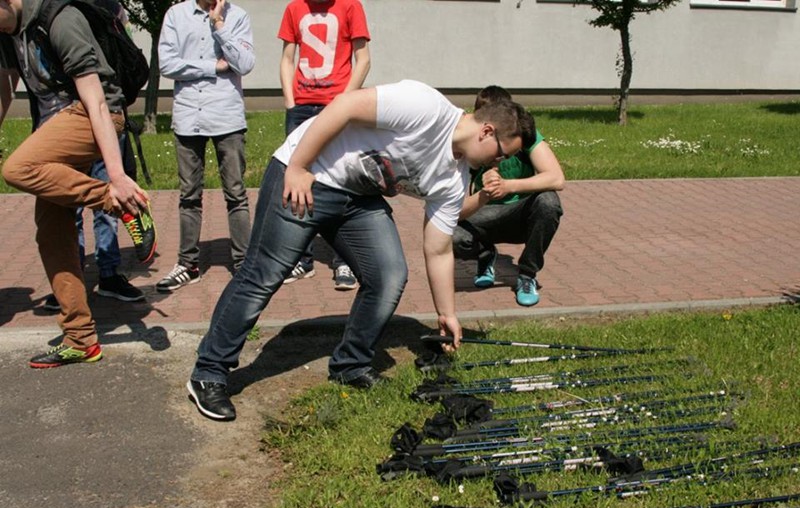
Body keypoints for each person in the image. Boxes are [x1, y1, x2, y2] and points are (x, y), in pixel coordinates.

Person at [185, 79, 535, 421]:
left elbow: (439, 249)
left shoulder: (455, 180)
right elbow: (346, 105)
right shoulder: (425, 106)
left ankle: (350, 365)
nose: (497, 165)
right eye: (501, 154)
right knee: (264, 273)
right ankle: (208, 373)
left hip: (357, 199)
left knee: (389, 275)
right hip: (310, 174)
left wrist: (447, 313)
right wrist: (299, 166)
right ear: (486, 131)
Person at [0, 0, 157, 368]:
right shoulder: (8, 31)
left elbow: (98, 102)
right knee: (52, 234)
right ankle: (80, 339)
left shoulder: (60, 19)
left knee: (19, 168)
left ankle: (121, 202)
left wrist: (116, 178)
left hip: (95, 115)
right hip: (55, 125)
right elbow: (3, 92)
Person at [156, 0, 254, 291]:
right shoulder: (176, 15)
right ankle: (188, 264)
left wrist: (219, 25)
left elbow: (244, 64)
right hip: (189, 116)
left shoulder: (237, 16)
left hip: (227, 116)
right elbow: (167, 64)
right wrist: (213, 66)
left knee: (236, 193)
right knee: (189, 195)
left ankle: (244, 263)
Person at [278, 0, 371, 290]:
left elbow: (363, 59)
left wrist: (344, 102)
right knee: (297, 178)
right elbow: (287, 59)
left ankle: (344, 260)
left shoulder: (350, 6)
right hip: (301, 108)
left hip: (336, 106)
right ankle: (301, 258)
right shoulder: (294, 8)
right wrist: (290, 102)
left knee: (341, 178)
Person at [454, 85, 565, 307]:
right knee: (449, 233)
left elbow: (556, 178)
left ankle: (527, 275)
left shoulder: (525, 137)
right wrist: (484, 192)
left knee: (548, 201)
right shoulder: (467, 142)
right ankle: (485, 255)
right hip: (484, 213)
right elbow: (453, 209)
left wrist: (508, 186)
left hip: (519, 214)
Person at [42, 133, 145, 311]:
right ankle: (71, 280)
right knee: (70, 209)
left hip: (107, 133)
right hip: (66, 135)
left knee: (109, 204)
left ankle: (109, 275)